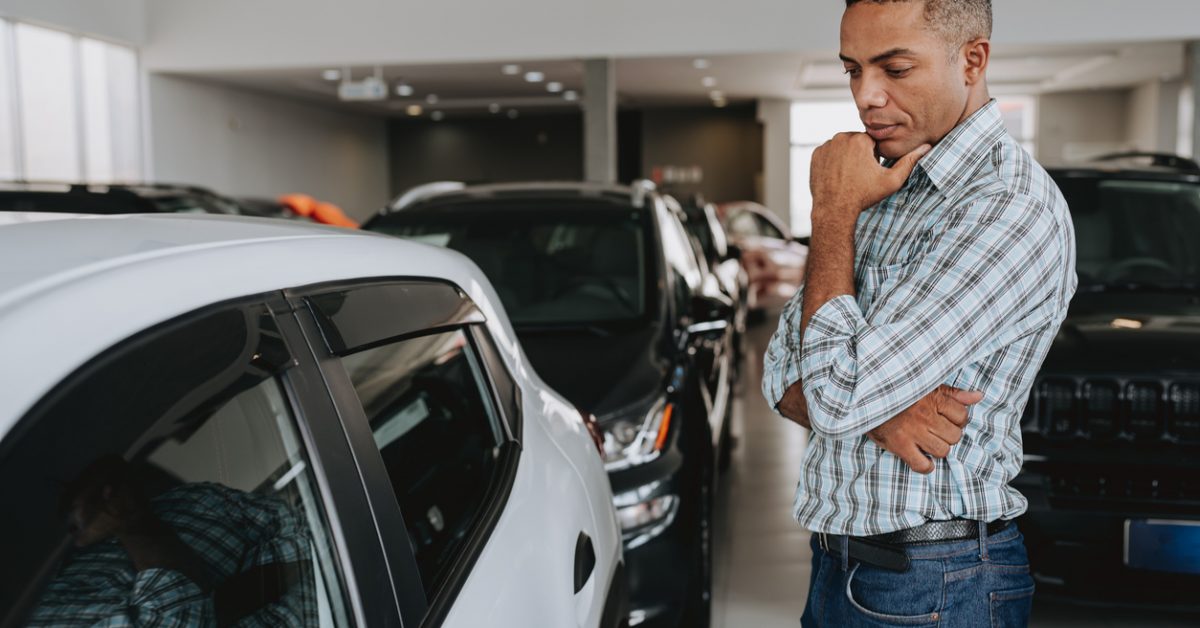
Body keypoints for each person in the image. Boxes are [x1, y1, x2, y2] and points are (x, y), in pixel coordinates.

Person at [761, 1, 1076, 626]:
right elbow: (777, 373)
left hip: (936, 583)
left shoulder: (1005, 209)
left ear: (973, 59)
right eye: (853, 69)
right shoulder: (886, 183)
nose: (866, 96)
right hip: (842, 566)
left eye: (895, 68)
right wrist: (883, 414)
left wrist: (830, 214)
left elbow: (833, 397)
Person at [29, 456, 317, 627]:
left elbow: (310, 537)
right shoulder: (39, 615)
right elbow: (177, 620)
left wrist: (217, 607)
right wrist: (132, 525)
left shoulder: (191, 501)